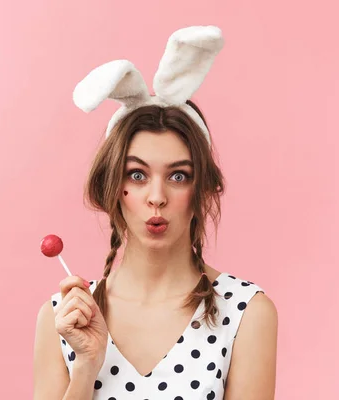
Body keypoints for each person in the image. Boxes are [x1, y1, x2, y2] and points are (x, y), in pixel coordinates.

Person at [33, 26, 278, 400]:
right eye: (137, 174)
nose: (157, 197)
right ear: (111, 186)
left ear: (202, 189)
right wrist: (85, 367)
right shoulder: (62, 319)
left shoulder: (247, 313)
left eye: (178, 176)